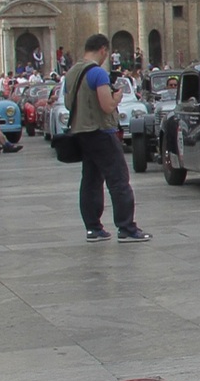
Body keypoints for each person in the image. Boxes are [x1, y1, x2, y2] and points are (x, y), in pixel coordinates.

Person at [64, 34, 150, 242]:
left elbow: (68, 105)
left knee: (91, 180)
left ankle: (93, 228)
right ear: (103, 50)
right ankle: (126, 227)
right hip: (101, 132)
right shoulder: (97, 74)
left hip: (81, 132)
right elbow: (107, 106)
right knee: (119, 179)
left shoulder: (71, 73)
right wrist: (116, 97)